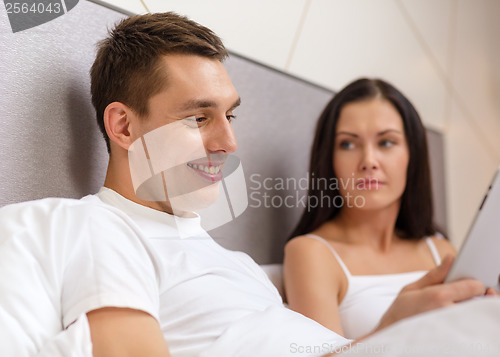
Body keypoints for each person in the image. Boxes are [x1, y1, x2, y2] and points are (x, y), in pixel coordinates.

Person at [0, 13, 495, 357]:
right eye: (199, 118)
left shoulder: (237, 266)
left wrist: (397, 327)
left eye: (230, 115)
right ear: (124, 127)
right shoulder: (98, 227)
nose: (229, 143)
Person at [283, 78, 456, 339]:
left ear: (413, 155)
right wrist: (393, 321)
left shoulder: (440, 251)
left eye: (386, 142)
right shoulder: (311, 253)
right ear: (329, 160)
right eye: (348, 144)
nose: (369, 161)